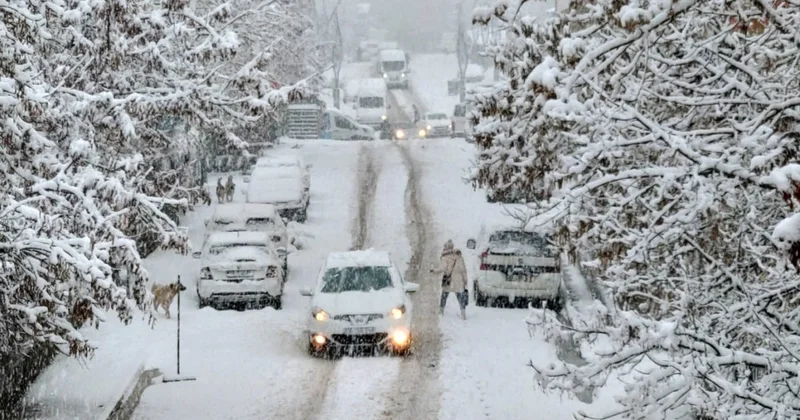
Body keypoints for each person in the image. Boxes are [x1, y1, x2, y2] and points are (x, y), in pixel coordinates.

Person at [431, 239, 468, 320]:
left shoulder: (445, 257)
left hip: (449, 280)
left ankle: (441, 310)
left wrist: (434, 270)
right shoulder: (459, 256)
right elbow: (463, 270)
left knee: (444, 295)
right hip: (458, 281)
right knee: (460, 297)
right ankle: (463, 313)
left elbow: (442, 268)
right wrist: (465, 280)